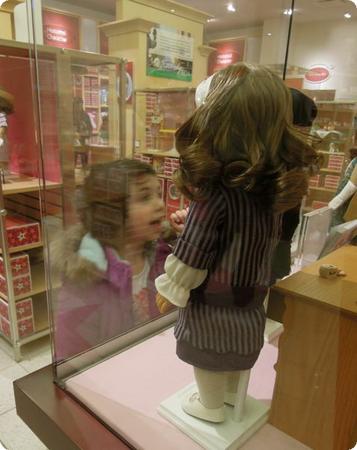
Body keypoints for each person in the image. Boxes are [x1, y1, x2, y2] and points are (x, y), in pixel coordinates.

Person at [155, 63, 319, 423]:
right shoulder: (273, 188)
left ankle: (211, 406)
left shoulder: (216, 193)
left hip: (215, 297)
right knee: (235, 348)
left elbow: (193, 255)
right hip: (251, 293)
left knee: (207, 352)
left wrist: (172, 287)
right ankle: (228, 397)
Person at [52, 159, 171, 360]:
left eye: (158, 194)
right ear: (111, 213)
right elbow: (71, 354)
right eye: (144, 197)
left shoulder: (161, 257)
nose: (160, 204)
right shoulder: (86, 278)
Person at [0, 86, 14, 175]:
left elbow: (3, 126)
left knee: (1, 159)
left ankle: (4, 173)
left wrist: (0, 136)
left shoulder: (1, 114)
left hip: (0, 140)